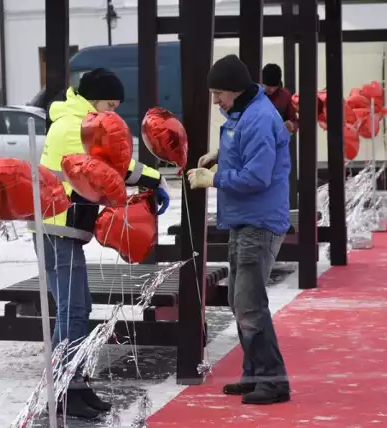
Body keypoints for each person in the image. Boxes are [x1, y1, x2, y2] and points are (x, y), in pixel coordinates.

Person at [30, 68, 170, 419]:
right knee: (72, 311)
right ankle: (63, 389)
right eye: (110, 103)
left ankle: (73, 383)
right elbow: (110, 166)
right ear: (93, 98)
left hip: (64, 229)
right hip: (56, 230)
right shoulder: (72, 127)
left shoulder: (84, 121)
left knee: (77, 307)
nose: (113, 112)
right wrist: (153, 179)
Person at [187, 54, 291, 405]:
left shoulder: (259, 118)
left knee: (249, 305)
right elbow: (247, 153)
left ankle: (273, 381)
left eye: (219, 93)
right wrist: (220, 156)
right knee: (239, 300)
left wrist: (214, 178)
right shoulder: (244, 113)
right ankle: (255, 374)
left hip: (258, 222)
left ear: (234, 90)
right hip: (244, 219)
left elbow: (258, 176)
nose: (216, 100)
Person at [261, 63, 298, 134]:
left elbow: (293, 120)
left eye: (274, 86)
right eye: (268, 86)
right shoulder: (255, 94)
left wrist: (292, 125)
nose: (271, 90)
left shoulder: (285, 95)